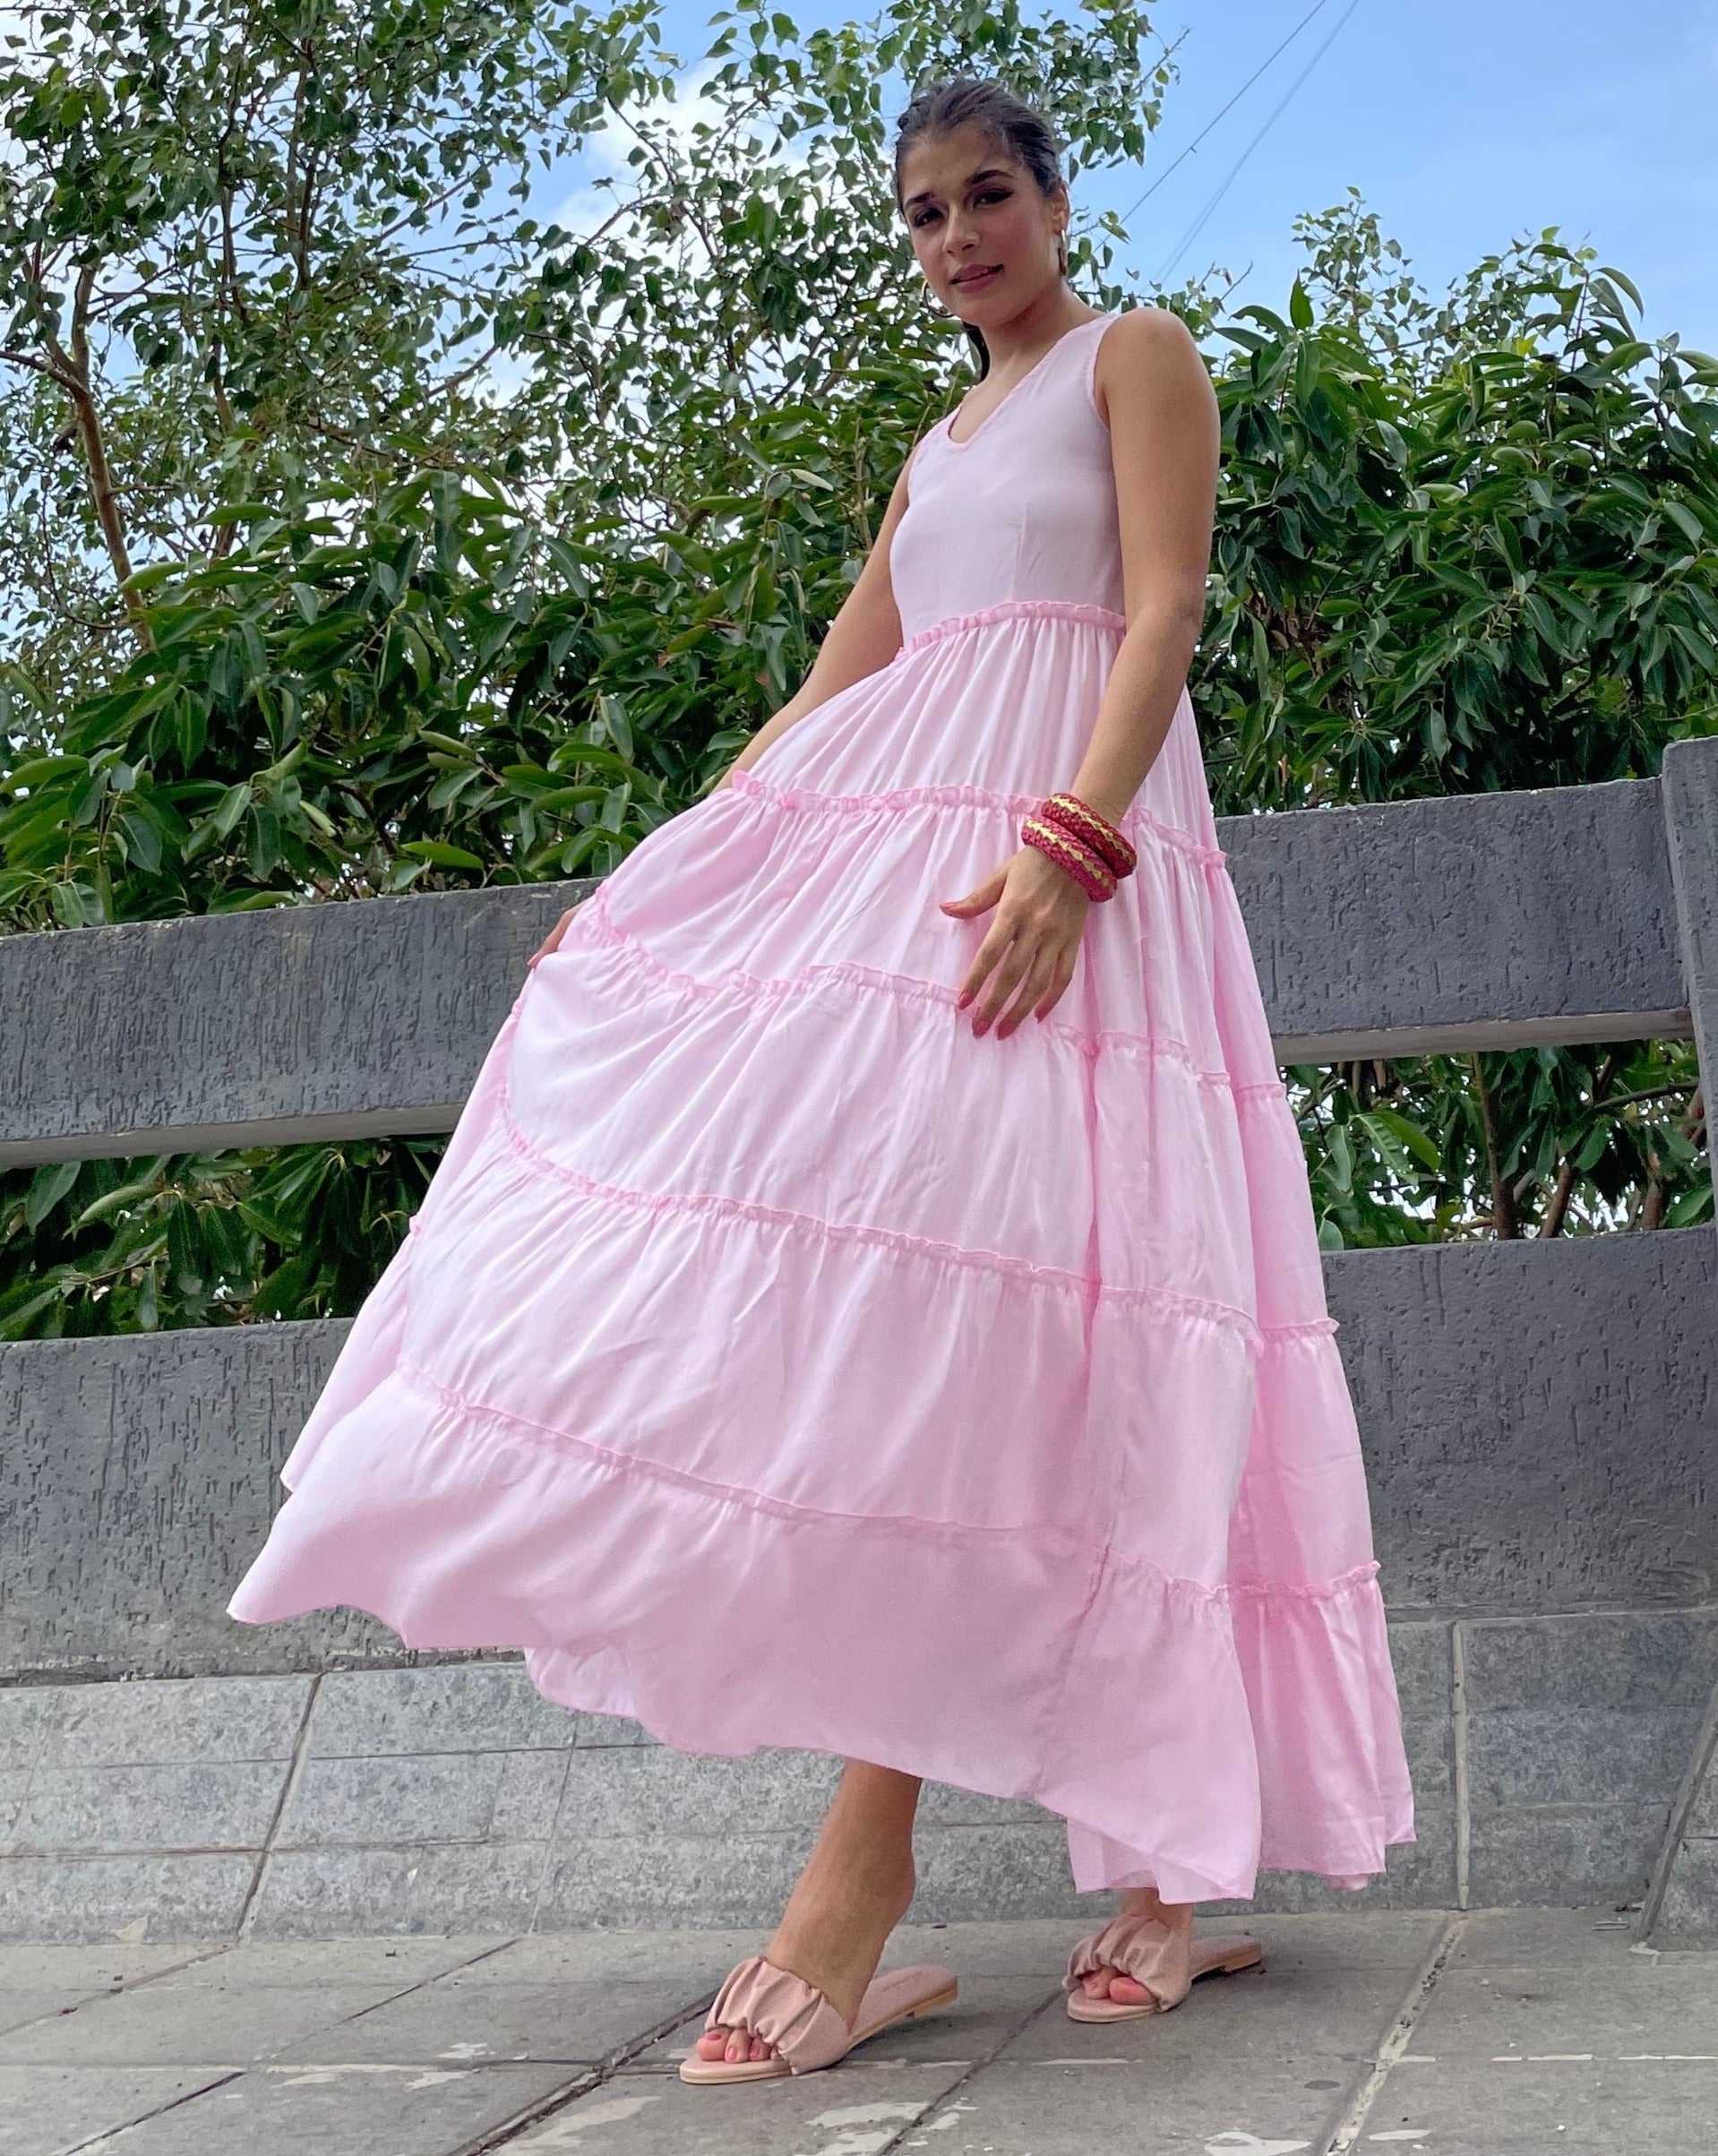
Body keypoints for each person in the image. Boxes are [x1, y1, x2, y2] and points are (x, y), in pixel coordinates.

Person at [227, 73, 1414, 2086]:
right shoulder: (932, 444)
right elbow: (835, 684)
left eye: (986, 197)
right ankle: (1116, 1867)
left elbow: (1164, 612)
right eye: (925, 215)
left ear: (1052, 197)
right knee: (958, 1324)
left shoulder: (1134, 356)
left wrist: (1072, 847)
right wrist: (655, 878)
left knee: (1092, 1318)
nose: (957, 239)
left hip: (1068, 882)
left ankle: (1046, 1881)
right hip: (908, 883)